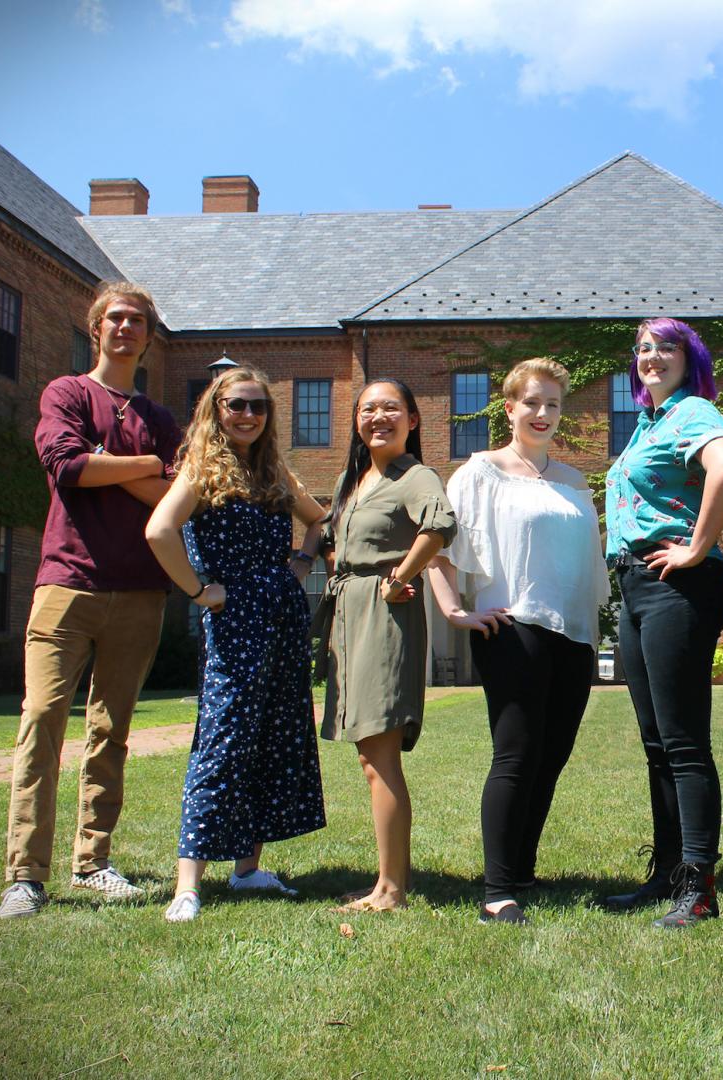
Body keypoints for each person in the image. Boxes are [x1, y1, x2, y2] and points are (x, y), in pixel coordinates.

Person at [0, 281, 180, 920]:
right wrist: (143, 467)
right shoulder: (67, 393)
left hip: (138, 592)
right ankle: (25, 876)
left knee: (111, 731)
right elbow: (65, 463)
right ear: (96, 327)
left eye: (137, 320)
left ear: (148, 336)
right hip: (65, 583)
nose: (126, 328)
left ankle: (94, 863)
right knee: (42, 718)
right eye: (116, 318)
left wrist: (119, 460)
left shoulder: (160, 421)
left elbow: (171, 500)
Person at [427, 359, 610, 925]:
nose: (543, 413)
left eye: (553, 404)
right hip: (513, 626)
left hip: (574, 632)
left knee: (552, 757)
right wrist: (454, 609)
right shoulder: (480, 471)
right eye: (532, 402)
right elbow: (438, 544)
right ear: (509, 408)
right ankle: (497, 890)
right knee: (516, 754)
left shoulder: (574, 481)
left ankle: (522, 866)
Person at [144, 367, 328, 922]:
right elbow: (159, 531)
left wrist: (299, 563)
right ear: (215, 410)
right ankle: (187, 885)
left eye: (258, 407)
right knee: (222, 740)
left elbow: (319, 521)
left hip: (281, 620)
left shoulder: (273, 472)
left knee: (272, 736)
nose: (248, 415)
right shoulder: (201, 469)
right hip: (233, 624)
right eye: (236, 405)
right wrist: (199, 590)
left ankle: (246, 870)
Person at [602, 318, 723, 929]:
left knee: (684, 743)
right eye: (642, 349)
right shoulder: (649, 423)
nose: (650, 356)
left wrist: (697, 545)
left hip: (677, 584)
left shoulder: (695, 414)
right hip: (636, 586)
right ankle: (666, 874)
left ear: (690, 358)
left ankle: (699, 887)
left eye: (664, 347)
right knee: (657, 742)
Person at [316, 378, 456, 914]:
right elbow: (331, 536)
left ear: (413, 420)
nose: (378, 417)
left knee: (381, 756)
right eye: (367, 408)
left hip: (383, 615)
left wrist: (400, 576)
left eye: (391, 408)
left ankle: (393, 890)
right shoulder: (354, 479)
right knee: (368, 757)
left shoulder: (416, 475)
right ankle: (384, 883)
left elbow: (440, 524)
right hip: (349, 615)